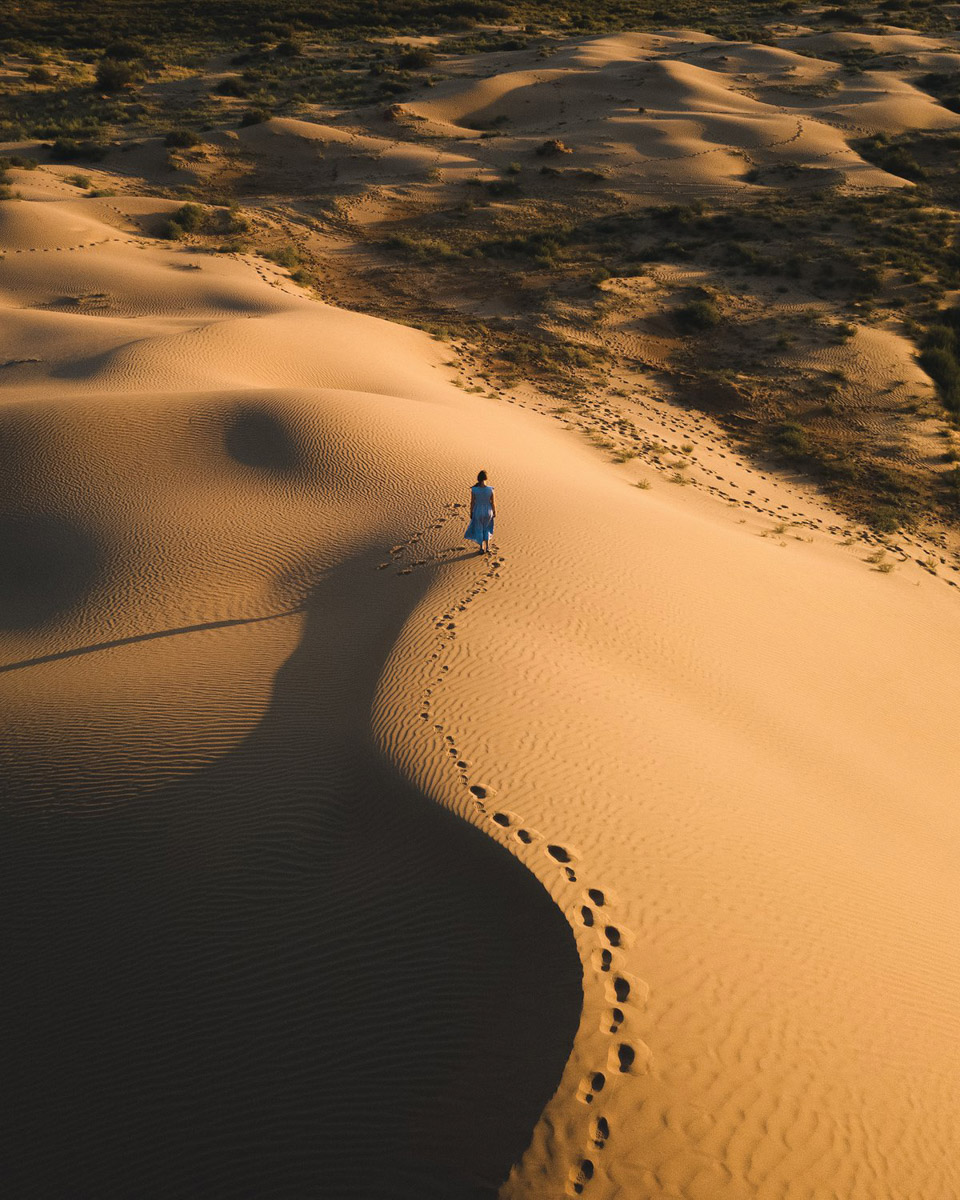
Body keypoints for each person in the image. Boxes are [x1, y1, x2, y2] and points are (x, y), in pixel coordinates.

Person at [464, 469, 496, 554]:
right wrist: (494, 512)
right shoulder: (490, 489)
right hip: (488, 511)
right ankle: (487, 548)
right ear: (486, 478)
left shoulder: (474, 490)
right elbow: (493, 502)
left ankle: (481, 548)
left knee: (479, 529)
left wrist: (471, 512)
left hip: (478, 511)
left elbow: (472, 502)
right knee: (487, 529)